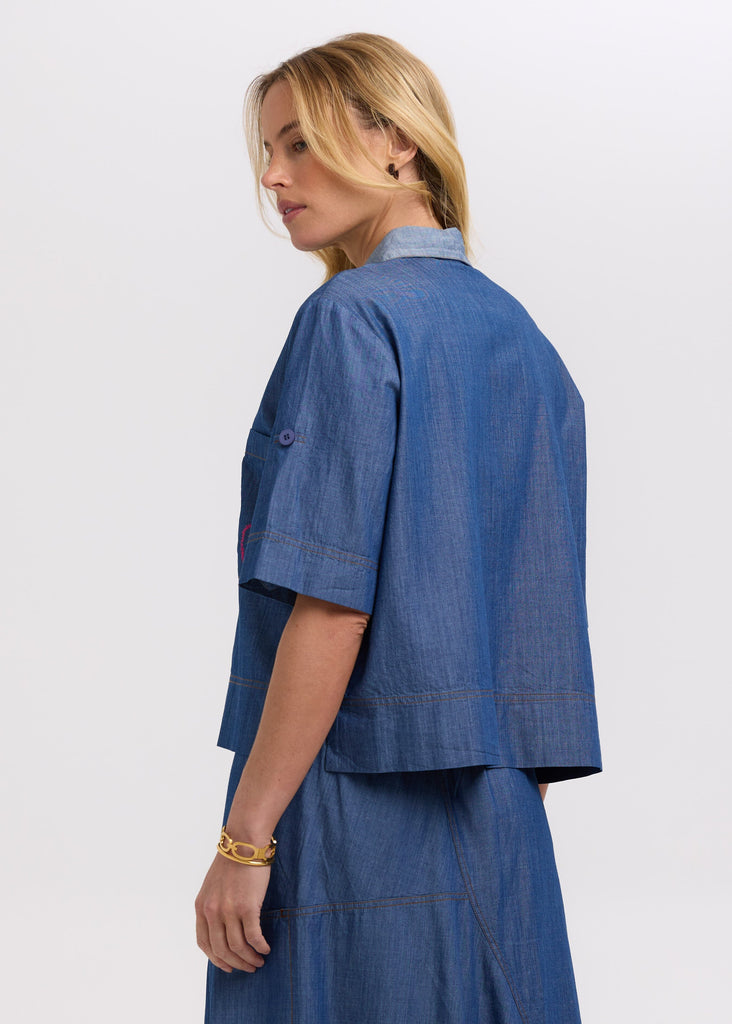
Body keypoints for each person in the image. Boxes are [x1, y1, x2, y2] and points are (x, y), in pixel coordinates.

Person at [195, 32, 602, 1023]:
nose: (272, 176)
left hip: (353, 826)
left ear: (397, 141)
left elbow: (334, 603)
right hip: (503, 835)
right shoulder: (528, 343)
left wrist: (246, 840)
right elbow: (531, 629)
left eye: (299, 142)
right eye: (268, 151)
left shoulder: (351, 318)